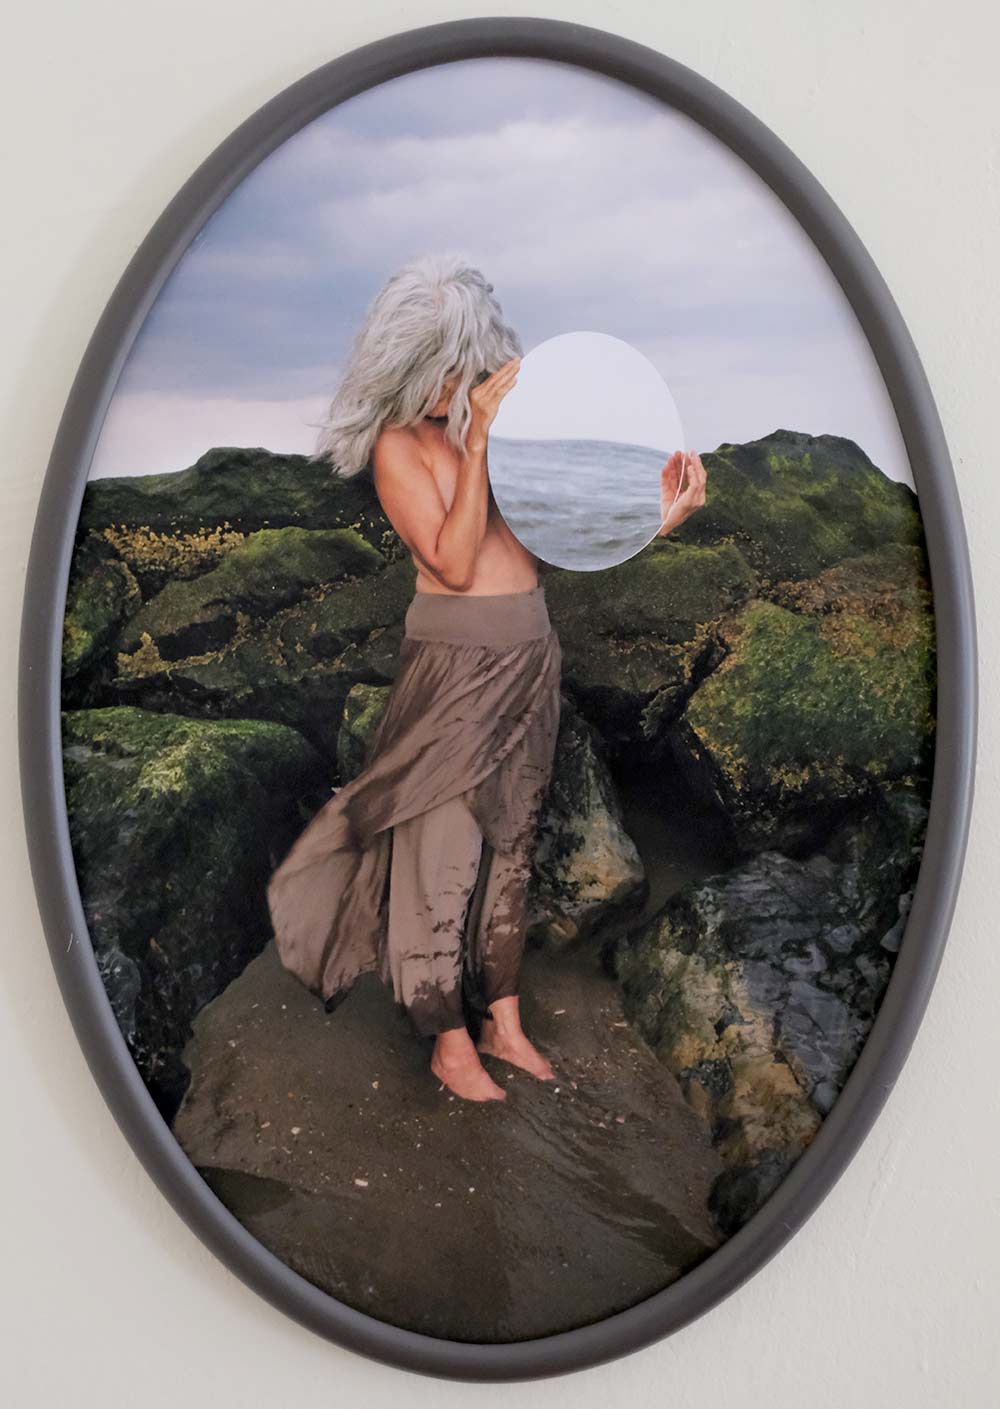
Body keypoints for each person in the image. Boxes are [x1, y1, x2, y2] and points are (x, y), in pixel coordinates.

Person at [266, 252, 706, 1103]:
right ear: (403, 366)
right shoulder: (399, 448)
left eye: (462, 369)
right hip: (455, 672)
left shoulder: (498, 432)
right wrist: (475, 449)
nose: (452, 388)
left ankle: (502, 1017)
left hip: (531, 657)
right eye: (439, 372)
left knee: (513, 844)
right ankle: (447, 1038)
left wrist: (656, 519)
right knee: (443, 852)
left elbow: (552, 542)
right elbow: (457, 562)